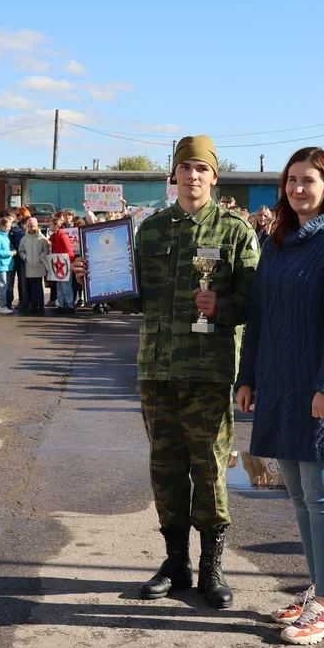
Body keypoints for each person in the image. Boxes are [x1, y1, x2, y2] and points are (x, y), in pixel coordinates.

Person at [75, 134, 258, 609]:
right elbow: (137, 298)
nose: (192, 176)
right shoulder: (151, 230)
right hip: (157, 369)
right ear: (173, 175)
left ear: (214, 177)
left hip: (209, 371)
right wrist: (98, 281)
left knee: (210, 469)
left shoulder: (236, 231)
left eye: (201, 168)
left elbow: (256, 301)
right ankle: (176, 562)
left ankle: (211, 566)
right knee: (165, 468)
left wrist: (222, 306)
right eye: (185, 167)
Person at [235, 147, 324, 643]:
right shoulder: (277, 242)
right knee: (300, 498)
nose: (298, 189)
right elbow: (260, 318)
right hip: (281, 390)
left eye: (309, 180)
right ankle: (318, 590)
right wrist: (247, 378)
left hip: (321, 393)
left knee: (323, 497)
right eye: (291, 180)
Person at [17, 216, 51, 314]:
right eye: (30, 226)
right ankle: (33, 305)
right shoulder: (24, 238)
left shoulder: (42, 238)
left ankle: (40, 305)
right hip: (29, 266)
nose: (32, 228)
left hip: (39, 266)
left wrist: (40, 257)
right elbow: (21, 250)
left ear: (37, 226)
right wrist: (25, 257)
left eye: (34, 226)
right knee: (31, 287)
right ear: (28, 227)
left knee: (38, 287)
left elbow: (46, 250)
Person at [0, 213, 17, 314]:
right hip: (1, 265)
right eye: (7, 226)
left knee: (7, 286)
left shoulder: (5, 235)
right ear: (1, 226)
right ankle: (2, 306)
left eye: (10, 226)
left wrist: (13, 250)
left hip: (8, 264)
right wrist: (10, 253)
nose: (9, 228)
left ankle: (5, 305)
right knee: (2, 286)